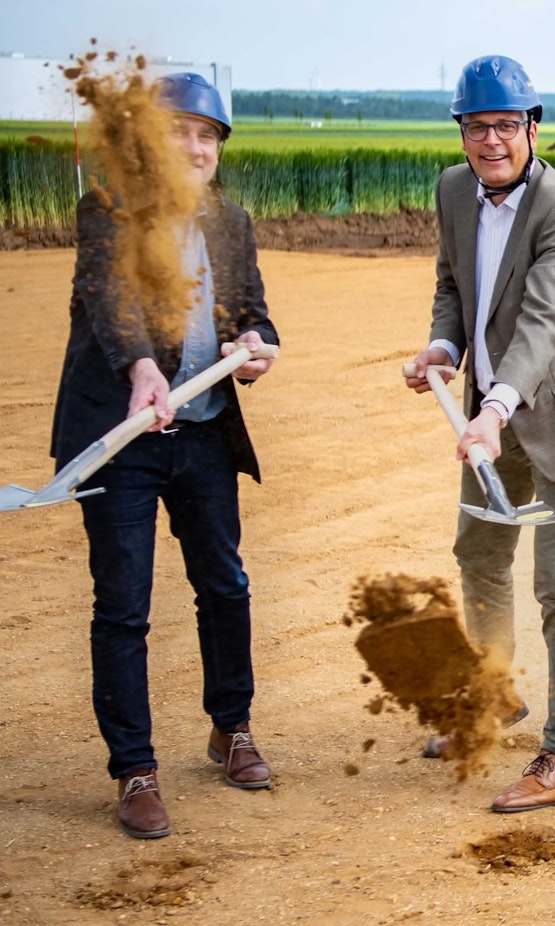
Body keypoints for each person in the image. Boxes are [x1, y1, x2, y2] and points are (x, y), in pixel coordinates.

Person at [52, 72, 278, 839]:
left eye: (208, 135)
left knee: (226, 585)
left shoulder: (231, 221)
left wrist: (255, 347)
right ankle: (135, 769)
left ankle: (232, 729)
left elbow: (254, 312)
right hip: (121, 443)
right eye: (179, 130)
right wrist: (141, 368)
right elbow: (109, 301)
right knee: (123, 606)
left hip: (206, 433)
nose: (194, 146)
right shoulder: (108, 210)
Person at [404, 55, 555, 812]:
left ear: (533, 128)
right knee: (480, 553)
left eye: (506, 124)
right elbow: (451, 283)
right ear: (462, 132)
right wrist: (443, 346)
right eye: (477, 126)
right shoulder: (451, 190)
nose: (491, 140)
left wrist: (494, 409)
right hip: (489, 415)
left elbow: (541, 323)